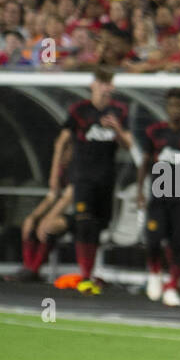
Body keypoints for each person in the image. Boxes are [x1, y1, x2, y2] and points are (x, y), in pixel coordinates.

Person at [45, 69, 134, 294]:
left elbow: (128, 144)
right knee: (85, 223)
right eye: (102, 83)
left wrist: (116, 129)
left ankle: (89, 273)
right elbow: (61, 142)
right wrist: (55, 175)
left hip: (106, 178)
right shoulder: (79, 111)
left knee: (97, 226)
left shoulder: (120, 111)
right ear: (93, 84)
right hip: (82, 177)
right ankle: (86, 276)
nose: (106, 87)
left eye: (109, 83)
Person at [138, 88, 180, 306]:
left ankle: (172, 286)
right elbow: (145, 161)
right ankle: (156, 274)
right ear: (166, 108)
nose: (177, 109)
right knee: (153, 239)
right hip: (158, 195)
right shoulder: (155, 132)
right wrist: (140, 190)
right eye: (173, 105)